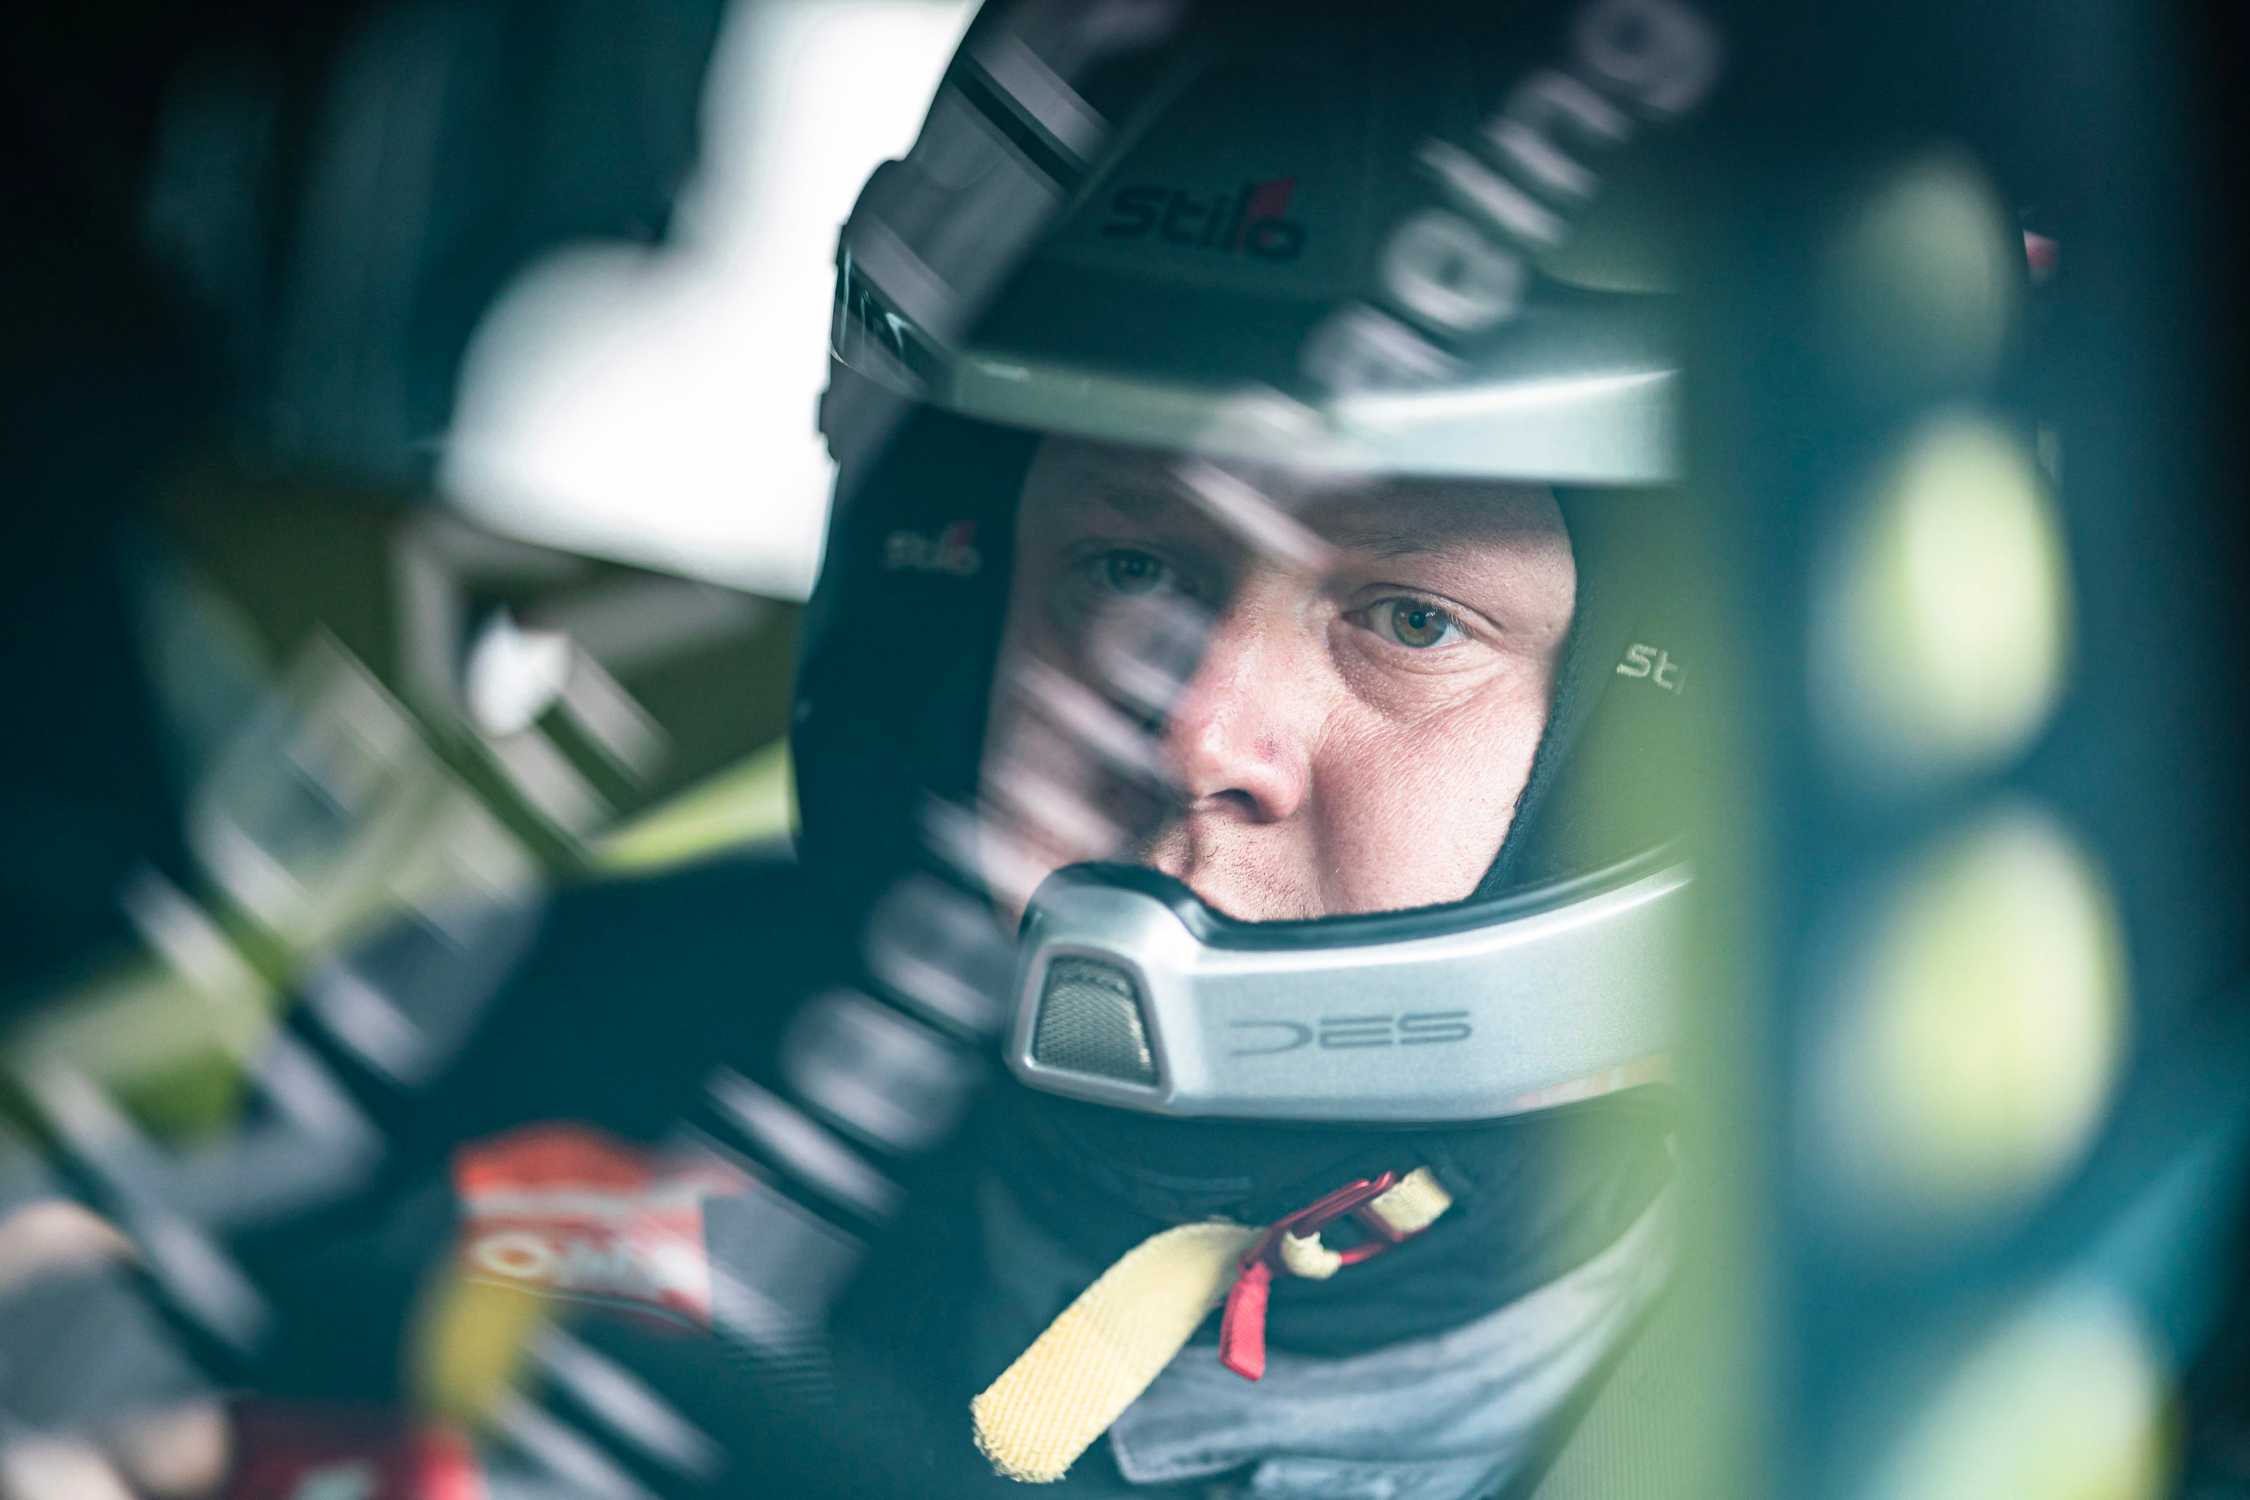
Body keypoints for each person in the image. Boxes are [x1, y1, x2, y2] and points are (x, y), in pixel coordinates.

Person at [0, 1, 1728, 1496]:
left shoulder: (1810, 1372)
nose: (1196, 727)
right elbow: (78, 1298)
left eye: (1407, 620)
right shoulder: (535, 1010)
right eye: (1131, 568)